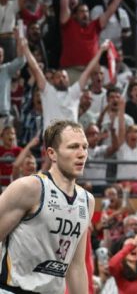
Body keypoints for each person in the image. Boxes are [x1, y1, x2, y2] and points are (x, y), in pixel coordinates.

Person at [0, 120, 94, 293]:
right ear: (52, 154)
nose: (82, 154)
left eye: (85, 147)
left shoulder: (87, 200)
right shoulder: (29, 188)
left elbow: (76, 267)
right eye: (73, 147)